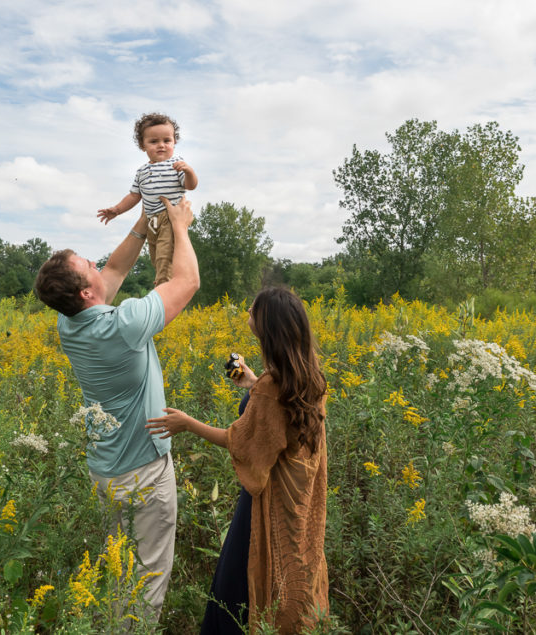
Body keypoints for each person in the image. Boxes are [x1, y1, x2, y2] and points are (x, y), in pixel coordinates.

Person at [33, 197, 200, 620]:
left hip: (105, 470)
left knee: (118, 568)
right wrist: (179, 226)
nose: (99, 264)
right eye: (90, 265)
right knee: (147, 578)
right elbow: (187, 282)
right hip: (143, 471)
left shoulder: (69, 322)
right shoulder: (123, 326)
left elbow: (117, 270)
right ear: (86, 291)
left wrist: (144, 220)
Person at [146, 287, 329, 634]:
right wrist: (252, 382)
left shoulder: (272, 386)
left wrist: (188, 424)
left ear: (267, 326)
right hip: (296, 503)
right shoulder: (308, 376)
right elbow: (281, 419)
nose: (247, 310)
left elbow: (244, 444)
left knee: (239, 585)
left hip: (264, 503)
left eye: (253, 310)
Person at [97, 112, 199, 287]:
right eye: (154, 141)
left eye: (167, 141)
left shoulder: (177, 164)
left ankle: (164, 284)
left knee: (165, 256)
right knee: (155, 254)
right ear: (142, 145)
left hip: (170, 218)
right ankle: (162, 278)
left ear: (174, 142)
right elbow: (134, 196)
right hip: (152, 222)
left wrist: (189, 171)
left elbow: (190, 186)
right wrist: (117, 209)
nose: (161, 145)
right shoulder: (142, 171)